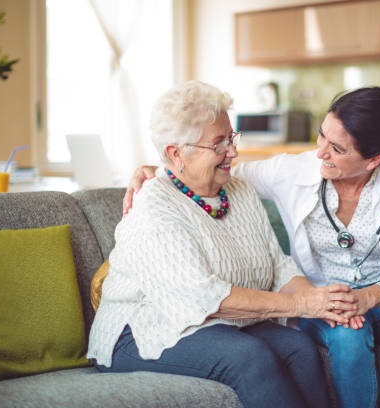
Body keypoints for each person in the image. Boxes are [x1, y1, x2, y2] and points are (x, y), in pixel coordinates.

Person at [124, 86, 380, 408]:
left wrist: (371, 295)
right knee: (347, 336)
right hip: (326, 292)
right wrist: (163, 169)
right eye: (322, 135)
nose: (320, 152)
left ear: (373, 160)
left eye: (337, 149)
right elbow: (220, 172)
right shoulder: (293, 170)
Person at [87, 80, 360, 408]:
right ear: (176, 154)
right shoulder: (154, 207)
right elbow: (206, 299)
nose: (233, 151)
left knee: (298, 349)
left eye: (231, 138)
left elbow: (278, 266)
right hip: (141, 329)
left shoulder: (238, 190)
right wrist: (303, 306)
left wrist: (321, 300)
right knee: (248, 357)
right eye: (219, 143)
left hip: (214, 324)